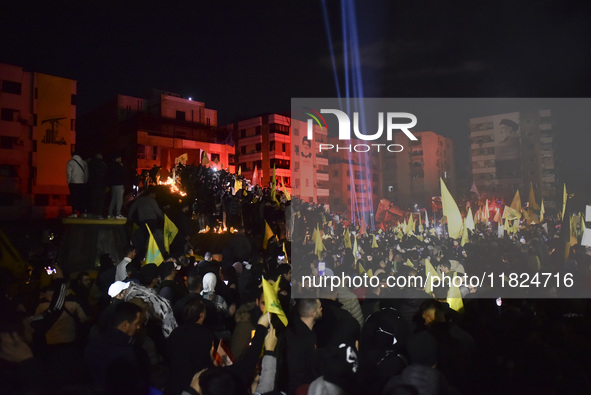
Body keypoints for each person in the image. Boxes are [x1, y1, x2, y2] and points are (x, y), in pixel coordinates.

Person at [84, 302, 148, 394]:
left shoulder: (93, 344)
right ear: (125, 325)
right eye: (136, 323)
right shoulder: (128, 353)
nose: (138, 327)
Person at [66, 151, 88, 217]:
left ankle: (74, 212)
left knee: (74, 198)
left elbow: (69, 173)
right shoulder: (84, 162)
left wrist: (69, 181)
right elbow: (86, 173)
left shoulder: (70, 162)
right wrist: (85, 181)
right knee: (82, 198)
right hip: (82, 182)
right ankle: (84, 212)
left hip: (74, 182)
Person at [88, 152, 108, 218]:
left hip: (93, 185)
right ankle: (99, 213)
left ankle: (94, 212)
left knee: (94, 199)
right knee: (100, 200)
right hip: (101, 185)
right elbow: (106, 174)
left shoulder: (91, 163)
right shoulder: (103, 164)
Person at [107, 153, 126, 219]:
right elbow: (123, 174)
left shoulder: (111, 165)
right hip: (119, 184)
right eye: (120, 158)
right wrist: (122, 167)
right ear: (117, 158)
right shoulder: (118, 166)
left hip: (113, 184)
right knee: (119, 199)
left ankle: (110, 213)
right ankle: (118, 213)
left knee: (114, 199)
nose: (120, 159)